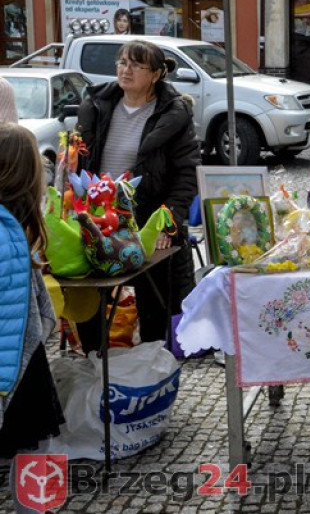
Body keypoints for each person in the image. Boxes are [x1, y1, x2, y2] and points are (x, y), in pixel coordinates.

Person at [75, 40, 200, 350]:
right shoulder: (97, 104)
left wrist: (167, 223)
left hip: (146, 221)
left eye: (135, 64)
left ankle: (151, 362)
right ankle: (94, 359)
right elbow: (80, 162)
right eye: (121, 62)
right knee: (87, 293)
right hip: (97, 220)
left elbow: (186, 177)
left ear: (155, 74)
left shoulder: (173, 114)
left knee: (154, 301)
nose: (125, 70)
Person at [0, 123, 66, 514]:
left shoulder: (15, 223)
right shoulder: (10, 228)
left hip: (16, 356)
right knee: (36, 451)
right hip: (15, 364)